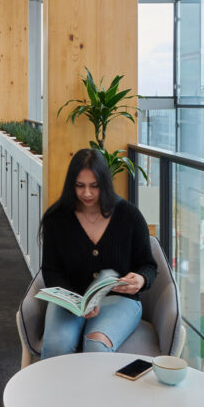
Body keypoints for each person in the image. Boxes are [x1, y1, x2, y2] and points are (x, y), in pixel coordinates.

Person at [39, 148, 157, 357]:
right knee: (58, 345)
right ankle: (58, 391)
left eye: (94, 186)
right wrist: (75, 302)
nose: (87, 193)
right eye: (80, 186)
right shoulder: (57, 219)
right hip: (72, 301)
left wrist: (140, 279)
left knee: (96, 345)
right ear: (71, 185)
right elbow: (51, 271)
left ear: (105, 183)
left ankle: (96, 391)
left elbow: (148, 265)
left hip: (119, 300)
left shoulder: (129, 216)